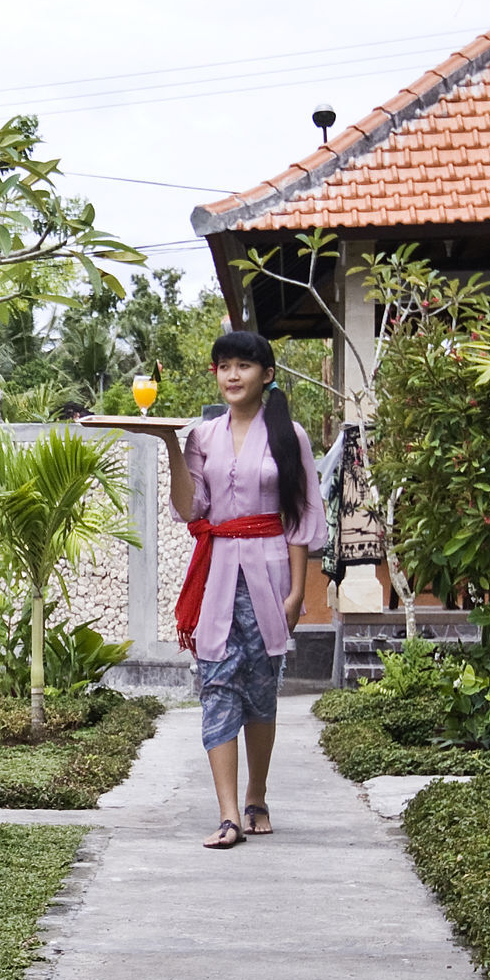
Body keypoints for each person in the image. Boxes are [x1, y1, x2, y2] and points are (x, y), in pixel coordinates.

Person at [160, 331, 323, 849]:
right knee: (217, 684)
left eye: (244, 366)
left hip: (270, 572)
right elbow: (192, 510)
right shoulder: (201, 437)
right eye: (224, 366)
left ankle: (257, 794)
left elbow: (298, 516)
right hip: (217, 572)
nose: (232, 375)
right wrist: (169, 444)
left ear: (266, 375)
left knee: (260, 690)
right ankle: (229, 815)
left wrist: (298, 593)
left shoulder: (289, 434)